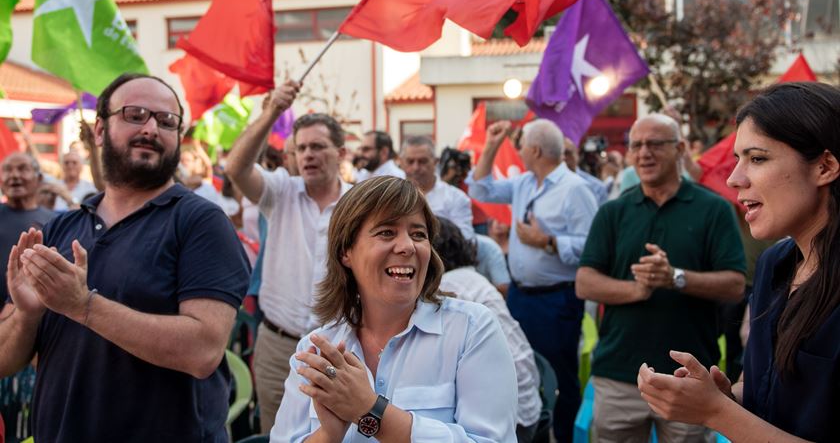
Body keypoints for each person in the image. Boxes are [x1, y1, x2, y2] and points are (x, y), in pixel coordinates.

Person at [0, 74, 250, 442]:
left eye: (166, 122)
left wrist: (83, 306)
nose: (151, 128)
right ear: (100, 130)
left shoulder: (200, 221)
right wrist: (27, 313)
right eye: (135, 115)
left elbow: (203, 350)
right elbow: (5, 360)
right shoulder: (59, 228)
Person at [637, 82, 840, 442]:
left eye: (758, 159)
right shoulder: (774, 264)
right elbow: (765, 392)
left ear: (824, 166)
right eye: (737, 160)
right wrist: (722, 397)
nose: (734, 179)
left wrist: (717, 412)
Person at [271, 176, 517, 442]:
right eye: (387, 232)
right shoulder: (316, 350)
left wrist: (371, 412)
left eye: (418, 234)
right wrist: (329, 434)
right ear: (346, 252)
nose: (408, 246)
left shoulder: (471, 330)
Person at [576, 113, 746, 443]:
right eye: (636, 145)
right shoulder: (613, 212)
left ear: (680, 148)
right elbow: (585, 282)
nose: (644, 153)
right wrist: (638, 289)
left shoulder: (713, 209)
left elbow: (735, 284)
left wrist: (676, 278)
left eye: (655, 144)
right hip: (619, 375)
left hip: (689, 376)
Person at [225, 82, 353, 434]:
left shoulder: (360, 204)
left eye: (318, 147)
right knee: (277, 433)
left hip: (339, 348)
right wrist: (271, 113)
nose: (308, 155)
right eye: (300, 149)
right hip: (280, 347)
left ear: (341, 153)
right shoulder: (280, 191)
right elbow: (236, 168)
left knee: (337, 434)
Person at [468, 119, 598, 442]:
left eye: (522, 144)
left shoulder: (575, 189)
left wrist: (548, 241)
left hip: (556, 299)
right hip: (520, 296)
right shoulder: (525, 182)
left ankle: (564, 436)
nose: (519, 150)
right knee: (516, 368)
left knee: (558, 375)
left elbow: (593, 247)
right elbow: (480, 188)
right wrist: (491, 146)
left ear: (536, 150)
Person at [433, 216, 540, 442]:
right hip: (529, 399)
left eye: (417, 237)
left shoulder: (445, 289)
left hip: (510, 418)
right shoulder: (472, 278)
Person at [0, 152, 55, 442]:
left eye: (22, 169)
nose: (14, 176)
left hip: (33, 346)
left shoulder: (57, 223)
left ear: (39, 177)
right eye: (7, 170)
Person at [401, 135, 474, 239]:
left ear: (435, 162)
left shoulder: (456, 198)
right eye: (410, 161)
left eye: (422, 161)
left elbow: (465, 240)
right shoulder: (389, 195)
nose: (415, 167)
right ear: (401, 162)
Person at [564, 137, 608, 205]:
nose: (564, 157)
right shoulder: (547, 185)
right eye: (560, 153)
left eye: (567, 153)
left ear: (576, 153)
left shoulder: (597, 187)